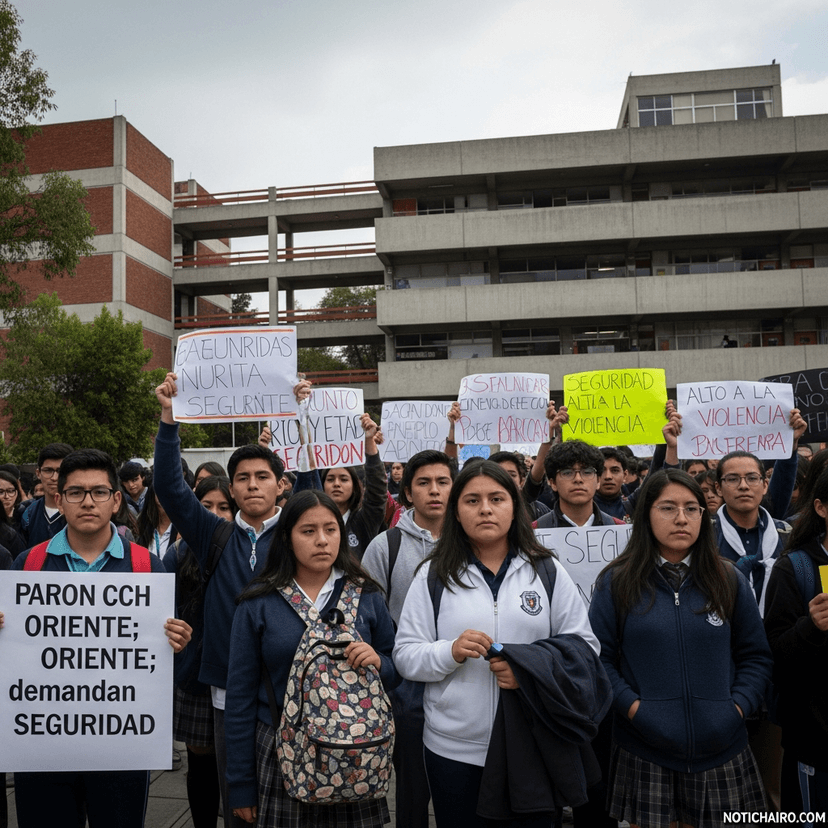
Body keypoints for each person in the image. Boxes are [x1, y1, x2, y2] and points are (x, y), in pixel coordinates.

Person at [394, 461, 599, 827]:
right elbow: (406, 655)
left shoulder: (547, 569)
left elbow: (585, 647)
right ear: (456, 511)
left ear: (515, 507)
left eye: (497, 498)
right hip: (452, 750)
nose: (485, 509)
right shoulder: (433, 574)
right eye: (472, 500)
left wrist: (528, 669)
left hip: (533, 743)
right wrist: (449, 652)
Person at [5, 448, 192, 828]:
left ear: (116, 500)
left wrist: (176, 640)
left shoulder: (145, 567)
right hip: (44, 745)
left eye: (99, 492)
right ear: (58, 498)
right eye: (76, 492)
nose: (88, 502)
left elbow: (159, 656)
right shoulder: (29, 565)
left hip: (121, 745)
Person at [589, 469, 773, 828]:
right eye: (668, 508)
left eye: (692, 509)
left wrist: (735, 709)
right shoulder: (617, 581)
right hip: (645, 746)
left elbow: (756, 656)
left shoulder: (728, 578)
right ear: (646, 516)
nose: (681, 518)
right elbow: (600, 660)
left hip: (722, 746)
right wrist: (636, 710)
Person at [153, 371, 285, 828]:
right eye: (243, 478)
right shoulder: (215, 533)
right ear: (231, 491)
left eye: (262, 476)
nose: (252, 484)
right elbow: (170, 488)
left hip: (292, 688)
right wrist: (169, 420)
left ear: (280, 486)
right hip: (228, 689)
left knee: (293, 796)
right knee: (239, 803)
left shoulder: (300, 532)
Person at [224, 490, 399, 826]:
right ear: (287, 539)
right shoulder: (259, 602)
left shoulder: (366, 594)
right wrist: (241, 784)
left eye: (330, 530)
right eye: (308, 531)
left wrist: (379, 661)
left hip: (355, 752)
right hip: (279, 751)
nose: (322, 540)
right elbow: (240, 699)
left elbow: (395, 668)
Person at [363, 450, 456, 828]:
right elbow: (367, 618)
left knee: (463, 792)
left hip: (466, 681)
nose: (434, 491)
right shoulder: (385, 547)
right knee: (413, 794)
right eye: (423, 482)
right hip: (409, 690)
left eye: (443, 481)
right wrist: (392, 679)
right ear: (407, 491)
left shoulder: (476, 541)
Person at [163, 475, 236, 828]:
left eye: (225, 507)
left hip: (233, 674)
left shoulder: (245, 554)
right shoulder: (176, 555)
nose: (216, 514)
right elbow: (158, 610)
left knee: (237, 763)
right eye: (206, 506)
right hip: (193, 675)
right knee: (202, 763)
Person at [763, 466, 828, 817]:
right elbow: (773, 654)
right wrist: (810, 627)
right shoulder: (796, 568)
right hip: (816, 746)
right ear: (820, 508)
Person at [319, 412, 387, 559]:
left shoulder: (364, 520)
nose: (336, 484)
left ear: (355, 486)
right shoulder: (312, 519)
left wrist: (369, 441)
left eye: (343, 479)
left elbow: (377, 490)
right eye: (330, 479)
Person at [20, 442, 73, 546]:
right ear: (38, 473)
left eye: (60, 471)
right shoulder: (28, 513)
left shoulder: (82, 510)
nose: (54, 478)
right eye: (48, 470)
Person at [135, 481, 178, 557]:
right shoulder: (144, 526)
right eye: (160, 493)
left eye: (169, 492)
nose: (165, 497)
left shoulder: (183, 530)